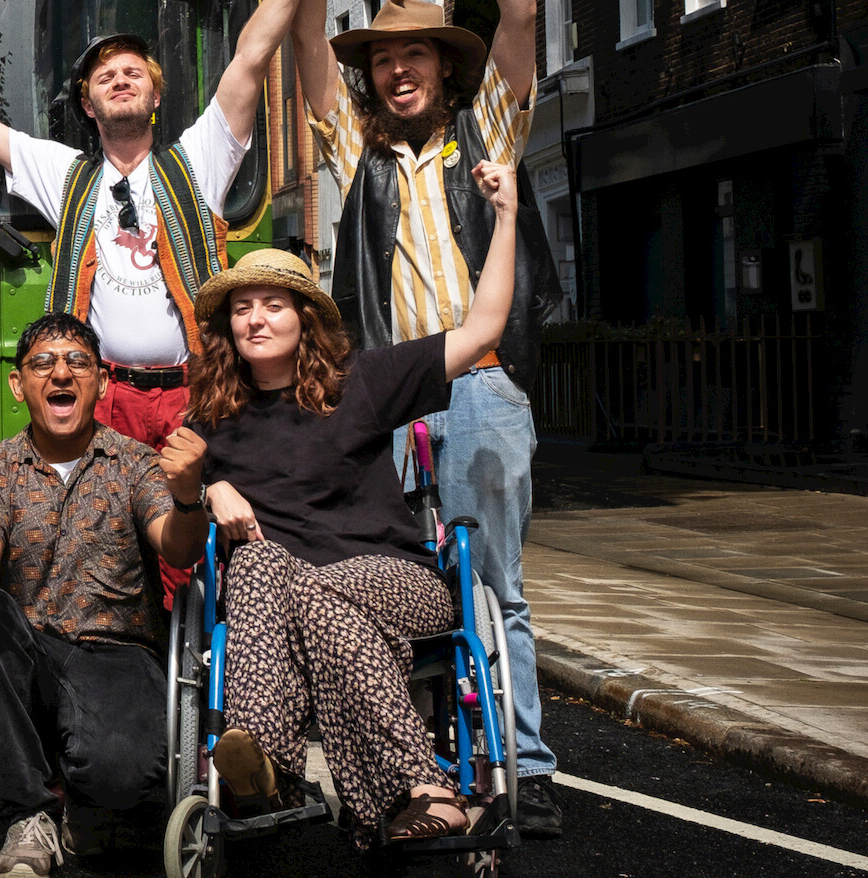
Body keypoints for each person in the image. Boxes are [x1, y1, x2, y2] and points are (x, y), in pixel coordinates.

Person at [289, 0, 565, 835]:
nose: (398, 70)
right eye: (382, 59)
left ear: (446, 66)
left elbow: (521, 18)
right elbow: (306, 40)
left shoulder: (487, 132)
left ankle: (526, 770)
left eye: (415, 53)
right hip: (390, 395)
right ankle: (413, 771)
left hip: (481, 385)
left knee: (495, 586)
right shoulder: (358, 150)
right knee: (392, 583)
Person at [184, 161, 518, 848]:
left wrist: (507, 217)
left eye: (273, 304)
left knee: (298, 588)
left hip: (393, 580)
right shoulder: (212, 419)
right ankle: (296, 773)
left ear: (304, 318)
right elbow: (174, 491)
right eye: (242, 308)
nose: (256, 318)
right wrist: (207, 486)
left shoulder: (363, 379)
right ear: (227, 327)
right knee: (257, 566)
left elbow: (483, 331)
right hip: (294, 606)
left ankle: (307, 764)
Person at [0, 0, 298, 599]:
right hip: (103, 398)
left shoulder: (198, 160)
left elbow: (251, 58)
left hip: (192, 395)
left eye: (133, 73)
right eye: (105, 77)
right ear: (87, 104)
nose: (120, 81)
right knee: (106, 546)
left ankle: (199, 649)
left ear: (155, 96)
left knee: (195, 550)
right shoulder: (66, 174)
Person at [0, 314, 208, 877]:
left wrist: (189, 498)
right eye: (43, 363)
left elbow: (179, 547)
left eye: (78, 363)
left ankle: (86, 801)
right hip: (28, 655)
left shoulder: (136, 462)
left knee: (126, 777)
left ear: (103, 383)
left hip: (117, 653)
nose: (61, 374)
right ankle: (29, 816)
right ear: (19, 386)